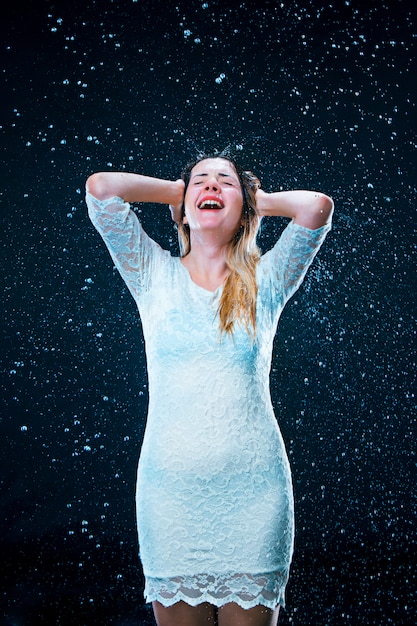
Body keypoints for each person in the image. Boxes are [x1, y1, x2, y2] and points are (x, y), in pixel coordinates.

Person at [86, 149, 333, 626]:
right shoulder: (150, 273)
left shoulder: (268, 278)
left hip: (254, 495)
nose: (211, 187)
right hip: (170, 494)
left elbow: (316, 207)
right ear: (182, 206)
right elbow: (101, 188)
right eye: (201, 180)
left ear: (247, 209)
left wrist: (259, 199)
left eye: (226, 181)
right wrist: (176, 192)